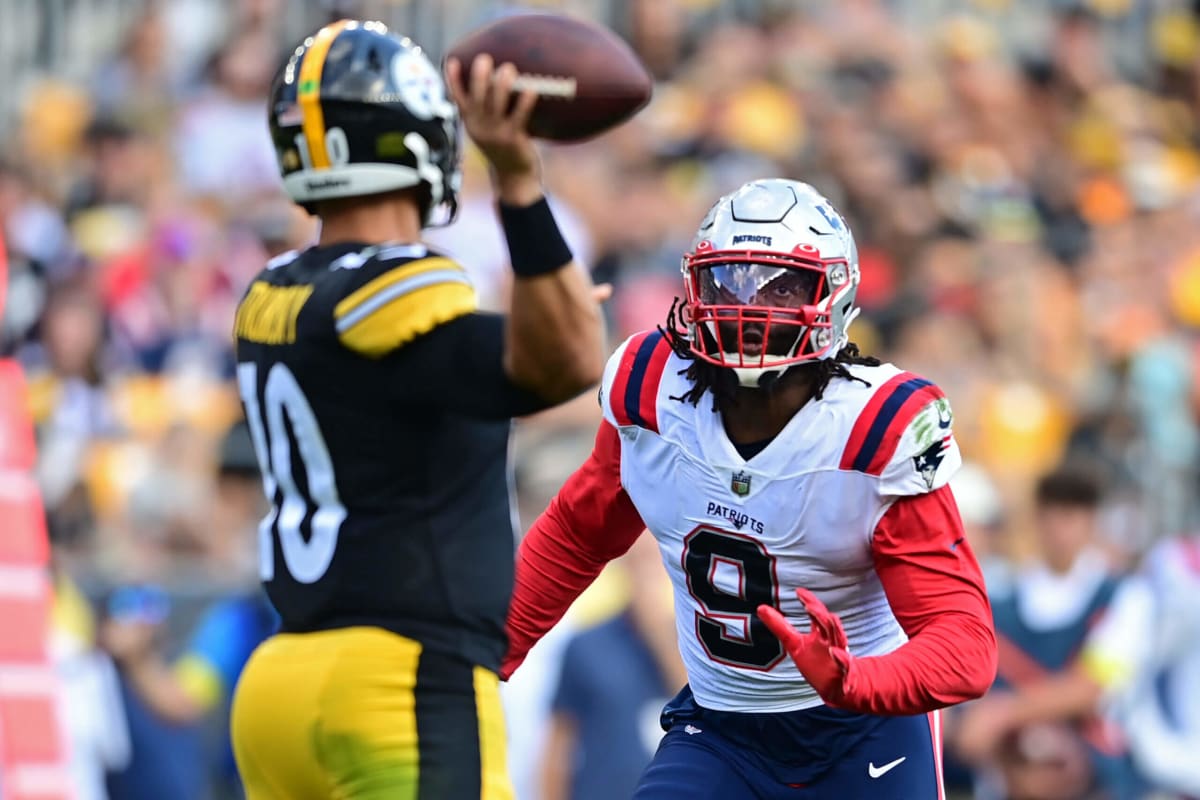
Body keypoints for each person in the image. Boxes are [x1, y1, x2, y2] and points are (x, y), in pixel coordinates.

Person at [503, 178, 998, 798]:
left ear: (833, 294)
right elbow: (577, 535)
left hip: (863, 732)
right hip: (722, 730)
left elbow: (963, 647)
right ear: (694, 287)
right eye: (729, 282)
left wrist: (854, 680)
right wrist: (485, 655)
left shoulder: (873, 429)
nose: (750, 307)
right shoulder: (652, 389)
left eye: (780, 286)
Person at [228, 19, 607, 800]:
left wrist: (546, 318)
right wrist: (518, 180)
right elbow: (570, 361)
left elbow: (448, 368)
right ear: (418, 143)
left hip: (278, 687)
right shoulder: (405, 285)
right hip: (400, 682)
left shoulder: (274, 289)